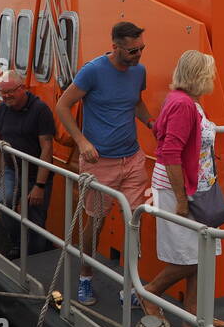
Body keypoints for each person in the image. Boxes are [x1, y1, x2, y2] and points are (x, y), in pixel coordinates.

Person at [54, 21, 153, 306]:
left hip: (132, 158)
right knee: (95, 222)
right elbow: (63, 106)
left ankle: (131, 286)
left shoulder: (139, 71)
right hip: (99, 162)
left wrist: (151, 122)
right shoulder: (93, 71)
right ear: (116, 47)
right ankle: (85, 278)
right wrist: (82, 142)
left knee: (134, 221)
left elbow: (136, 102)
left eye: (142, 48)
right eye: (133, 50)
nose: (138, 55)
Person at [144, 50, 224, 327]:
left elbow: (160, 132)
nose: (213, 77)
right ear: (199, 76)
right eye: (210, 72)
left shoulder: (186, 100)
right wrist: (181, 199)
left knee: (204, 250)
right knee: (193, 255)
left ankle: (193, 314)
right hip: (180, 190)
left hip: (200, 188)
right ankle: (150, 292)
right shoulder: (183, 104)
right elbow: (170, 152)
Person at [0, 73, 57, 255]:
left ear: (22, 89)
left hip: (36, 174)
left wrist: (39, 186)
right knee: (4, 202)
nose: (6, 96)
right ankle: (19, 243)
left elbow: (47, 148)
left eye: (10, 92)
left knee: (36, 219)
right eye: (2, 92)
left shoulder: (40, 110)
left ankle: (35, 257)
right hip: (12, 170)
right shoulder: (2, 108)